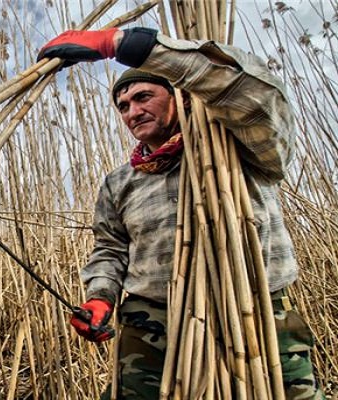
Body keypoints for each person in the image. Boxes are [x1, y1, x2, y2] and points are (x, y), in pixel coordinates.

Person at [37, 27, 325, 399]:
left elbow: (253, 92)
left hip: (258, 312)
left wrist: (126, 45)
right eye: (123, 106)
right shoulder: (119, 182)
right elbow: (110, 249)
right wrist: (101, 296)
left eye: (143, 97)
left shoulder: (239, 144)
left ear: (182, 96)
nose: (132, 112)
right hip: (154, 319)